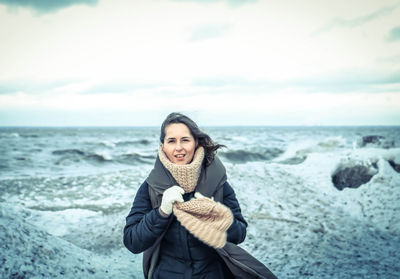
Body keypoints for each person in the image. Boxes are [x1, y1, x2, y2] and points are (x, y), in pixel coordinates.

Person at [123, 112, 277, 279]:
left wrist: (217, 216)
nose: (179, 147)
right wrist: (161, 213)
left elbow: (239, 234)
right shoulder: (150, 187)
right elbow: (132, 241)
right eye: (171, 141)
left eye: (185, 140)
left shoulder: (218, 182)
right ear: (163, 146)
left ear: (196, 143)